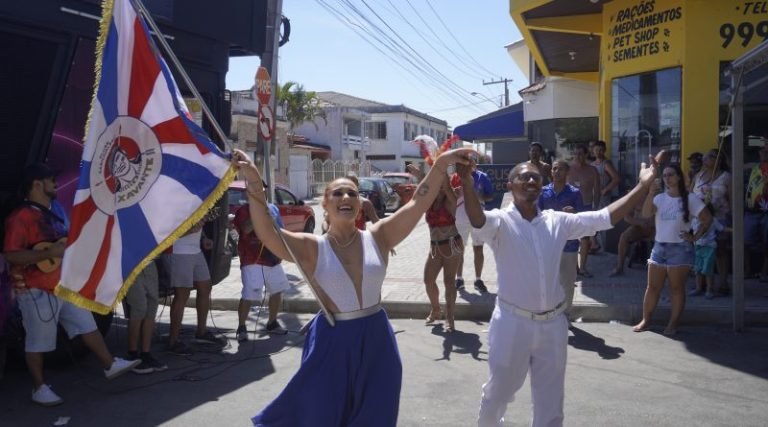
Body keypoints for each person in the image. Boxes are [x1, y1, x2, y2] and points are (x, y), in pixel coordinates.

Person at [232, 147, 474, 426]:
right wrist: (252, 179)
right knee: (324, 417)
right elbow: (267, 231)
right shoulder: (312, 248)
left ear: (360, 204)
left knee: (376, 416)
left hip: (377, 340)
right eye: (337, 193)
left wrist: (441, 163)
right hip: (333, 341)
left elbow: (417, 204)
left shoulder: (380, 236)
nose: (346, 197)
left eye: (352, 193)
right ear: (325, 204)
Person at [459, 153, 659, 427]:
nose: (531, 179)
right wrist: (467, 183)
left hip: (553, 325)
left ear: (541, 186)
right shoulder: (500, 222)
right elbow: (477, 220)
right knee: (499, 392)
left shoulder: (557, 221)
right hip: (512, 323)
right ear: (510, 185)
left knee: (551, 405)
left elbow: (604, 217)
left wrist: (642, 186)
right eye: (523, 176)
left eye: (535, 177)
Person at [3, 163, 140, 406]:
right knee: (38, 340)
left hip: (63, 285)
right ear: (36, 184)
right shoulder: (21, 217)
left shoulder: (53, 210)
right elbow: (12, 255)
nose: (56, 184)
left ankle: (109, 364)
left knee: (86, 324)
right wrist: (47, 254)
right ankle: (39, 387)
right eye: (51, 180)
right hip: (35, 289)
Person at [633, 164, 712, 336]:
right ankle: (646, 320)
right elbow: (646, 214)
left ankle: (673, 324)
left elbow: (707, 218)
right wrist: (650, 193)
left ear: (678, 177)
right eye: (665, 175)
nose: (667, 178)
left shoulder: (690, 198)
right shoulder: (659, 198)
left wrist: (695, 236)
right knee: (652, 287)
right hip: (659, 247)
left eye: (671, 174)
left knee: (676, 288)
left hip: (680, 248)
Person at [410, 165, 462, 331]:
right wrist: (421, 176)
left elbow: (446, 186)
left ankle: (450, 318)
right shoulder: (430, 201)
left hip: (451, 246)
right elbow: (423, 188)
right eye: (436, 184)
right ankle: (436, 309)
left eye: (440, 184)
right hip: (435, 247)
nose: (438, 187)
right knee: (428, 280)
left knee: (449, 282)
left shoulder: (450, 200)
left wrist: (442, 166)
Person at [233, 199, 289, 341]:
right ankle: (241, 327)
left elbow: (281, 230)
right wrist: (259, 214)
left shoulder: (273, 208)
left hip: (272, 258)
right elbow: (245, 229)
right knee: (249, 294)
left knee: (277, 290)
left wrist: (281, 251)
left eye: (262, 190)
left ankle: (272, 322)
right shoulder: (244, 210)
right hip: (252, 259)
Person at [165, 218, 220, 355]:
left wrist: (204, 237)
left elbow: (195, 224)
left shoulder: (192, 200)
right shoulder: (171, 202)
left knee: (206, 287)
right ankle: (173, 341)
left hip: (195, 250)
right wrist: (190, 230)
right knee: (182, 294)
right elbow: (164, 232)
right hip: (178, 251)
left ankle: (201, 332)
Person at [537, 160, 584, 316]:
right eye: (554, 169)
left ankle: (565, 315)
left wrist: (574, 213)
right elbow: (535, 216)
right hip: (547, 245)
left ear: (567, 172)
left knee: (568, 283)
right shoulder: (543, 192)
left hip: (569, 245)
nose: (556, 171)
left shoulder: (575, 193)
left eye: (560, 169)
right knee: (548, 282)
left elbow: (583, 218)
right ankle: (549, 313)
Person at [690, 148, 732, 294]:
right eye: (705, 156)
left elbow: (732, 199)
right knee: (700, 251)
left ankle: (723, 283)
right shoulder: (698, 176)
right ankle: (701, 285)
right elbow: (689, 195)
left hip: (719, 217)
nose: (705, 159)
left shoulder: (726, 177)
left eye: (709, 157)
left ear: (718, 159)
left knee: (720, 250)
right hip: (698, 220)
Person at [451, 157, 493, 294]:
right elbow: (449, 198)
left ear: (473, 164)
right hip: (460, 219)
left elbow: (490, 196)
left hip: (478, 219)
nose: (466, 165)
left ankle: (478, 279)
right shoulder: (455, 178)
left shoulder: (482, 177)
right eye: (463, 163)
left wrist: (480, 196)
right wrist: (454, 194)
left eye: (469, 163)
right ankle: (459, 278)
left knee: (478, 249)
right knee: (459, 250)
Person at [123, 260, 167, 374]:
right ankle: (132, 354)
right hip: (131, 265)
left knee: (152, 307)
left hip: (149, 262)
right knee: (139, 308)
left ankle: (146, 353)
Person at [568, 143, 601, 277]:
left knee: (585, 238)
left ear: (586, 155)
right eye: (576, 154)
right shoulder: (569, 170)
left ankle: (583, 267)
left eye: (580, 154)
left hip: (587, 206)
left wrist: (595, 208)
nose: (578, 156)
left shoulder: (592, 170)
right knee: (572, 239)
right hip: (571, 208)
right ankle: (574, 267)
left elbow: (597, 191)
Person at [688, 204, 726, 299]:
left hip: (710, 248)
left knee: (708, 270)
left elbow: (722, 228)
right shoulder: (694, 221)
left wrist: (735, 230)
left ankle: (709, 290)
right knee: (698, 269)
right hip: (697, 247)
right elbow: (689, 230)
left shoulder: (713, 220)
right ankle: (698, 288)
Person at [590, 140, 620, 253]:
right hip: (593, 196)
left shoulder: (606, 164)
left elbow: (616, 178)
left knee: (598, 219)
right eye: (596, 150)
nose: (598, 152)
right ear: (593, 151)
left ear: (604, 151)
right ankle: (594, 243)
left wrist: (605, 190)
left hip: (602, 197)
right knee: (592, 218)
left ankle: (596, 244)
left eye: (601, 150)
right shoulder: (592, 165)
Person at [609, 207, 655, 276]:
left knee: (665, 241)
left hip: (656, 228)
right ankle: (620, 267)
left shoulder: (657, 197)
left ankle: (664, 271)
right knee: (624, 237)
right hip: (639, 228)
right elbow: (627, 217)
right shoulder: (636, 199)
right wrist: (640, 222)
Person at [745, 142, 768, 281]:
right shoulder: (755, 167)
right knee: (744, 241)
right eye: (761, 150)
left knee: (767, 243)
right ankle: (747, 270)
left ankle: (764, 271)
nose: (763, 152)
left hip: (765, 211)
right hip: (751, 210)